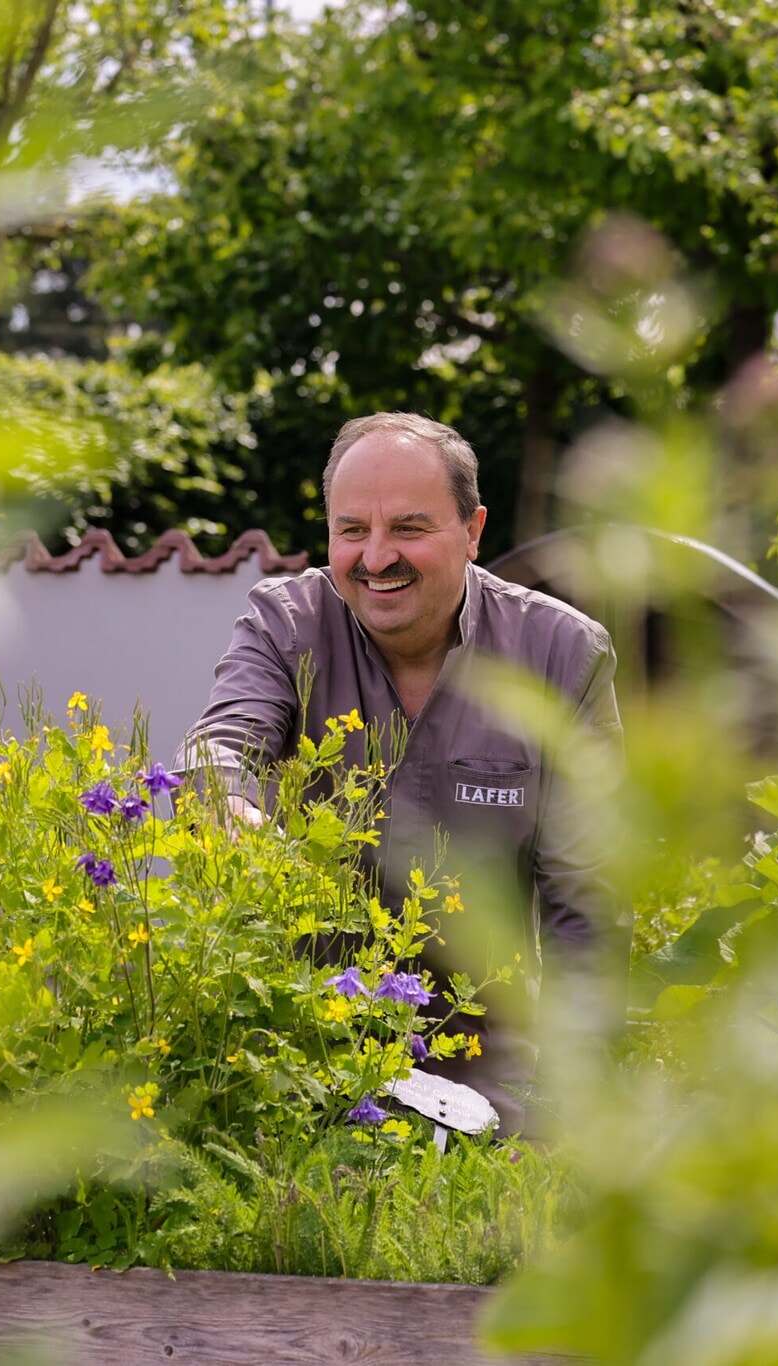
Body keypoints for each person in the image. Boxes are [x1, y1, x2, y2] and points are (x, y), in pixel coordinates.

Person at [177, 413, 622, 1127]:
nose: (376, 557)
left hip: (491, 1086)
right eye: (352, 530)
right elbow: (222, 746)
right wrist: (227, 803)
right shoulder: (287, 626)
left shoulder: (561, 654)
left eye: (408, 528)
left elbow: (587, 906)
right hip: (301, 1059)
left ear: (473, 530)